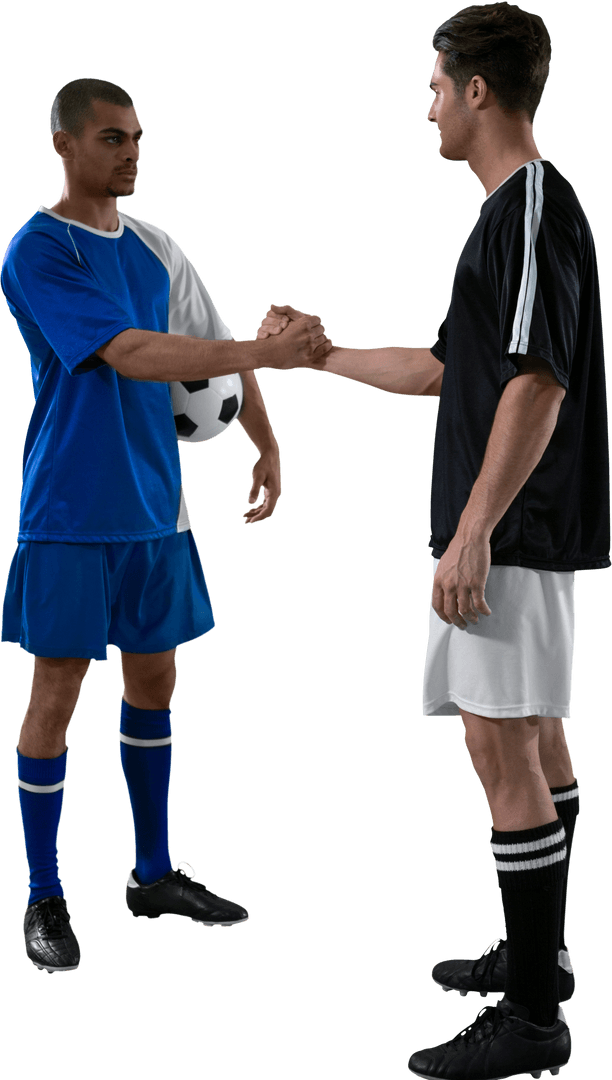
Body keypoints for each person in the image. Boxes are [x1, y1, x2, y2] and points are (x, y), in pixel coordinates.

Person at [258, 4, 610, 1077]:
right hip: (509, 530)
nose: (427, 108)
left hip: (510, 532)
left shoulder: (533, 205)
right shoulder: (505, 217)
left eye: (435, 87)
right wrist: (316, 357)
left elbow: (539, 384)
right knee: (534, 739)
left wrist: (473, 533)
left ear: (476, 91)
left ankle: (533, 1019)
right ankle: (542, 960)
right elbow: (445, 370)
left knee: (499, 749)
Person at [0, 78, 333, 977]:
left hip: (158, 511)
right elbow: (134, 353)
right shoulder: (36, 251)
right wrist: (270, 352)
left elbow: (211, 342)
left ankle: (151, 874)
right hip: (70, 513)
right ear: (65, 145)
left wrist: (267, 443)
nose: (132, 153)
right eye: (113, 138)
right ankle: (42, 893)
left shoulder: (157, 246)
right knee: (57, 693)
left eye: (139, 137)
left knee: (156, 681)